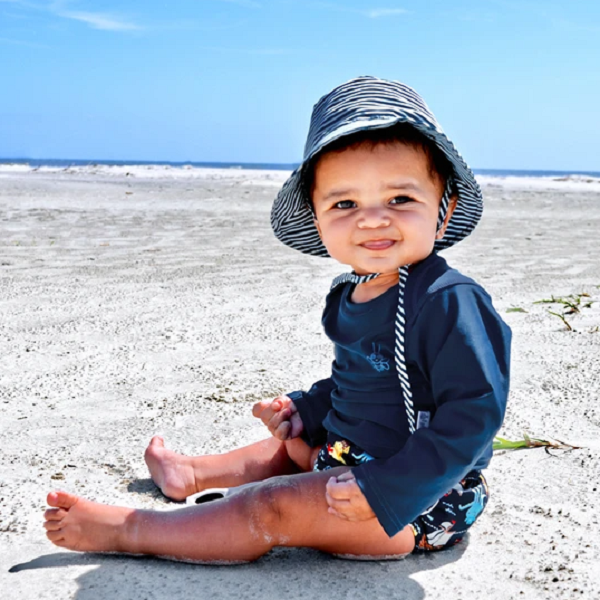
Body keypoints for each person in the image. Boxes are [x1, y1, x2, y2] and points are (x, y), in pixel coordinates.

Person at [43, 76, 511, 562]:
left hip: (421, 498)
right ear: (316, 216)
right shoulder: (351, 293)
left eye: (399, 199)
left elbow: (473, 415)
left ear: (444, 207)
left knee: (271, 506)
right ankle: (194, 474)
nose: (372, 219)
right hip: (347, 458)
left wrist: (390, 487)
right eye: (345, 203)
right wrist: (306, 409)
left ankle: (135, 531)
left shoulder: (447, 299)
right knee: (287, 450)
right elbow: (364, 379)